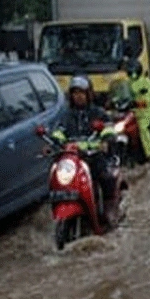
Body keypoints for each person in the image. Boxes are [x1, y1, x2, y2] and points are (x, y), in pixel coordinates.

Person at [58, 75, 117, 218]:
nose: (78, 96)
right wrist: (53, 143)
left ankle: (109, 207)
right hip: (73, 159)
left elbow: (109, 129)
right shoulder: (66, 115)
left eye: (81, 93)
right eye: (75, 93)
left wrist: (105, 141)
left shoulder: (98, 113)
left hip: (94, 156)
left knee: (105, 176)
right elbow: (58, 131)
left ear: (88, 94)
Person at [127, 61, 150, 160]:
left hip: (146, 112)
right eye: (130, 72)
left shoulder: (146, 83)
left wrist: (139, 103)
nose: (132, 74)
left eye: (133, 72)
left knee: (143, 129)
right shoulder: (128, 82)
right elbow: (122, 93)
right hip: (132, 111)